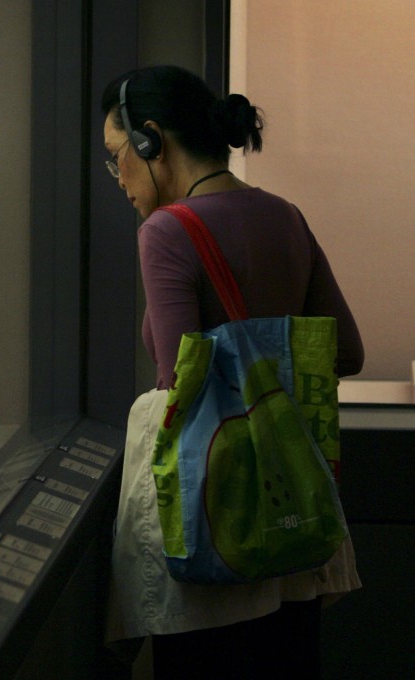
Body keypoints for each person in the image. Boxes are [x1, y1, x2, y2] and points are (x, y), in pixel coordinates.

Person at [100, 65, 364, 679]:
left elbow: (177, 386)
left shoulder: (166, 231)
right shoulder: (286, 216)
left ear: (151, 141)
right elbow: (345, 352)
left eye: (118, 157)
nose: (118, 177)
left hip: (219, 529)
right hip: (293, 536)